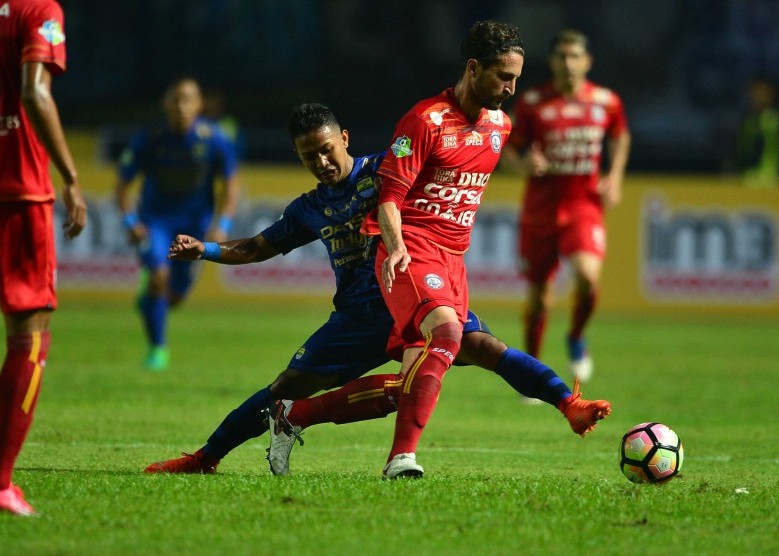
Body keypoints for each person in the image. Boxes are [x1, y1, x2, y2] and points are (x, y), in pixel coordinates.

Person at [144, 103, 610, 477]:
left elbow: (441, 169)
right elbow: (256, 247)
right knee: (284, 387)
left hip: (413, 289)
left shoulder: (385, 170)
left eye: (327, 149)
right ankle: (206, 458)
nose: (322, 162)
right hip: (359, 315)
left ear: (344, 138)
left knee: (485, 347)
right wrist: (203, 248)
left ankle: (569, 403)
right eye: (310, 156)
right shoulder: (307, 208)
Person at [359, 20, 547, 479]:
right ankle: (400, 459)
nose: (511, 88)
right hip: (410, 249)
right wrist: (396, 245)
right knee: (446, 335)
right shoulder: (424, 120)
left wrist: (529, 166)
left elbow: (474, 164)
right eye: (504, 76)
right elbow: (390, 196)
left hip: (453, 260)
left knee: (410, 379)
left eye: (517, 79)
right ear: (473, 67)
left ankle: (294, 415)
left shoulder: (500, 126)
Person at [501, 29, 631, 383]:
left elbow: (620, 135)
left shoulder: (606, 101)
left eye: (575, 56)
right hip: (540, 210)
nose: (568, 63)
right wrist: (522, 166)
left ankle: (575, 336)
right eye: (561, 56)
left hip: (583, 207)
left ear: (588, 61)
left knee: (588, 279)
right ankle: (531, 367)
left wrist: (615, 176)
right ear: (552, 61)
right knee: (540, 299)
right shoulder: (532, 103)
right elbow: (507, 149)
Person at [0, 0, 88, 516]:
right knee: (28, 337)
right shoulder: (39, 10)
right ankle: (2, 481)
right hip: (18, 193)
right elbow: (34, 92)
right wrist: (72, 176)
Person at [115, 77, 240, 371]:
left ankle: (149, 302)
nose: (182, 106)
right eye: (176, 99)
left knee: (175, 295)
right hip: (155, 221)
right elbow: (122, 185)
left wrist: (222, 223)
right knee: (159, 275)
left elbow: (231, 185)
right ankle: (157, 349)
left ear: (199, 105)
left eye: (188, 100)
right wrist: (131, 220)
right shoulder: (151, 137)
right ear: (165, 104)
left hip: (195, 224)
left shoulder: (215, 139)